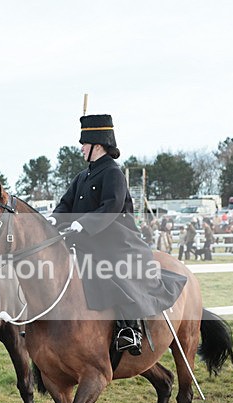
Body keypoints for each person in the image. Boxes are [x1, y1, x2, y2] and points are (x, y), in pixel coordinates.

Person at [48, 113, 187, 356]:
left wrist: (84, 224)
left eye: (84, 144)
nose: (81, 148)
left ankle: (129, 329)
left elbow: (111, 207)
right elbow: (65, 204)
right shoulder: (83, 176)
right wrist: (52, 220)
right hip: (84, 242)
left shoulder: (113, 173)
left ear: (97, 146)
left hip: (116, 244)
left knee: (114, 275)